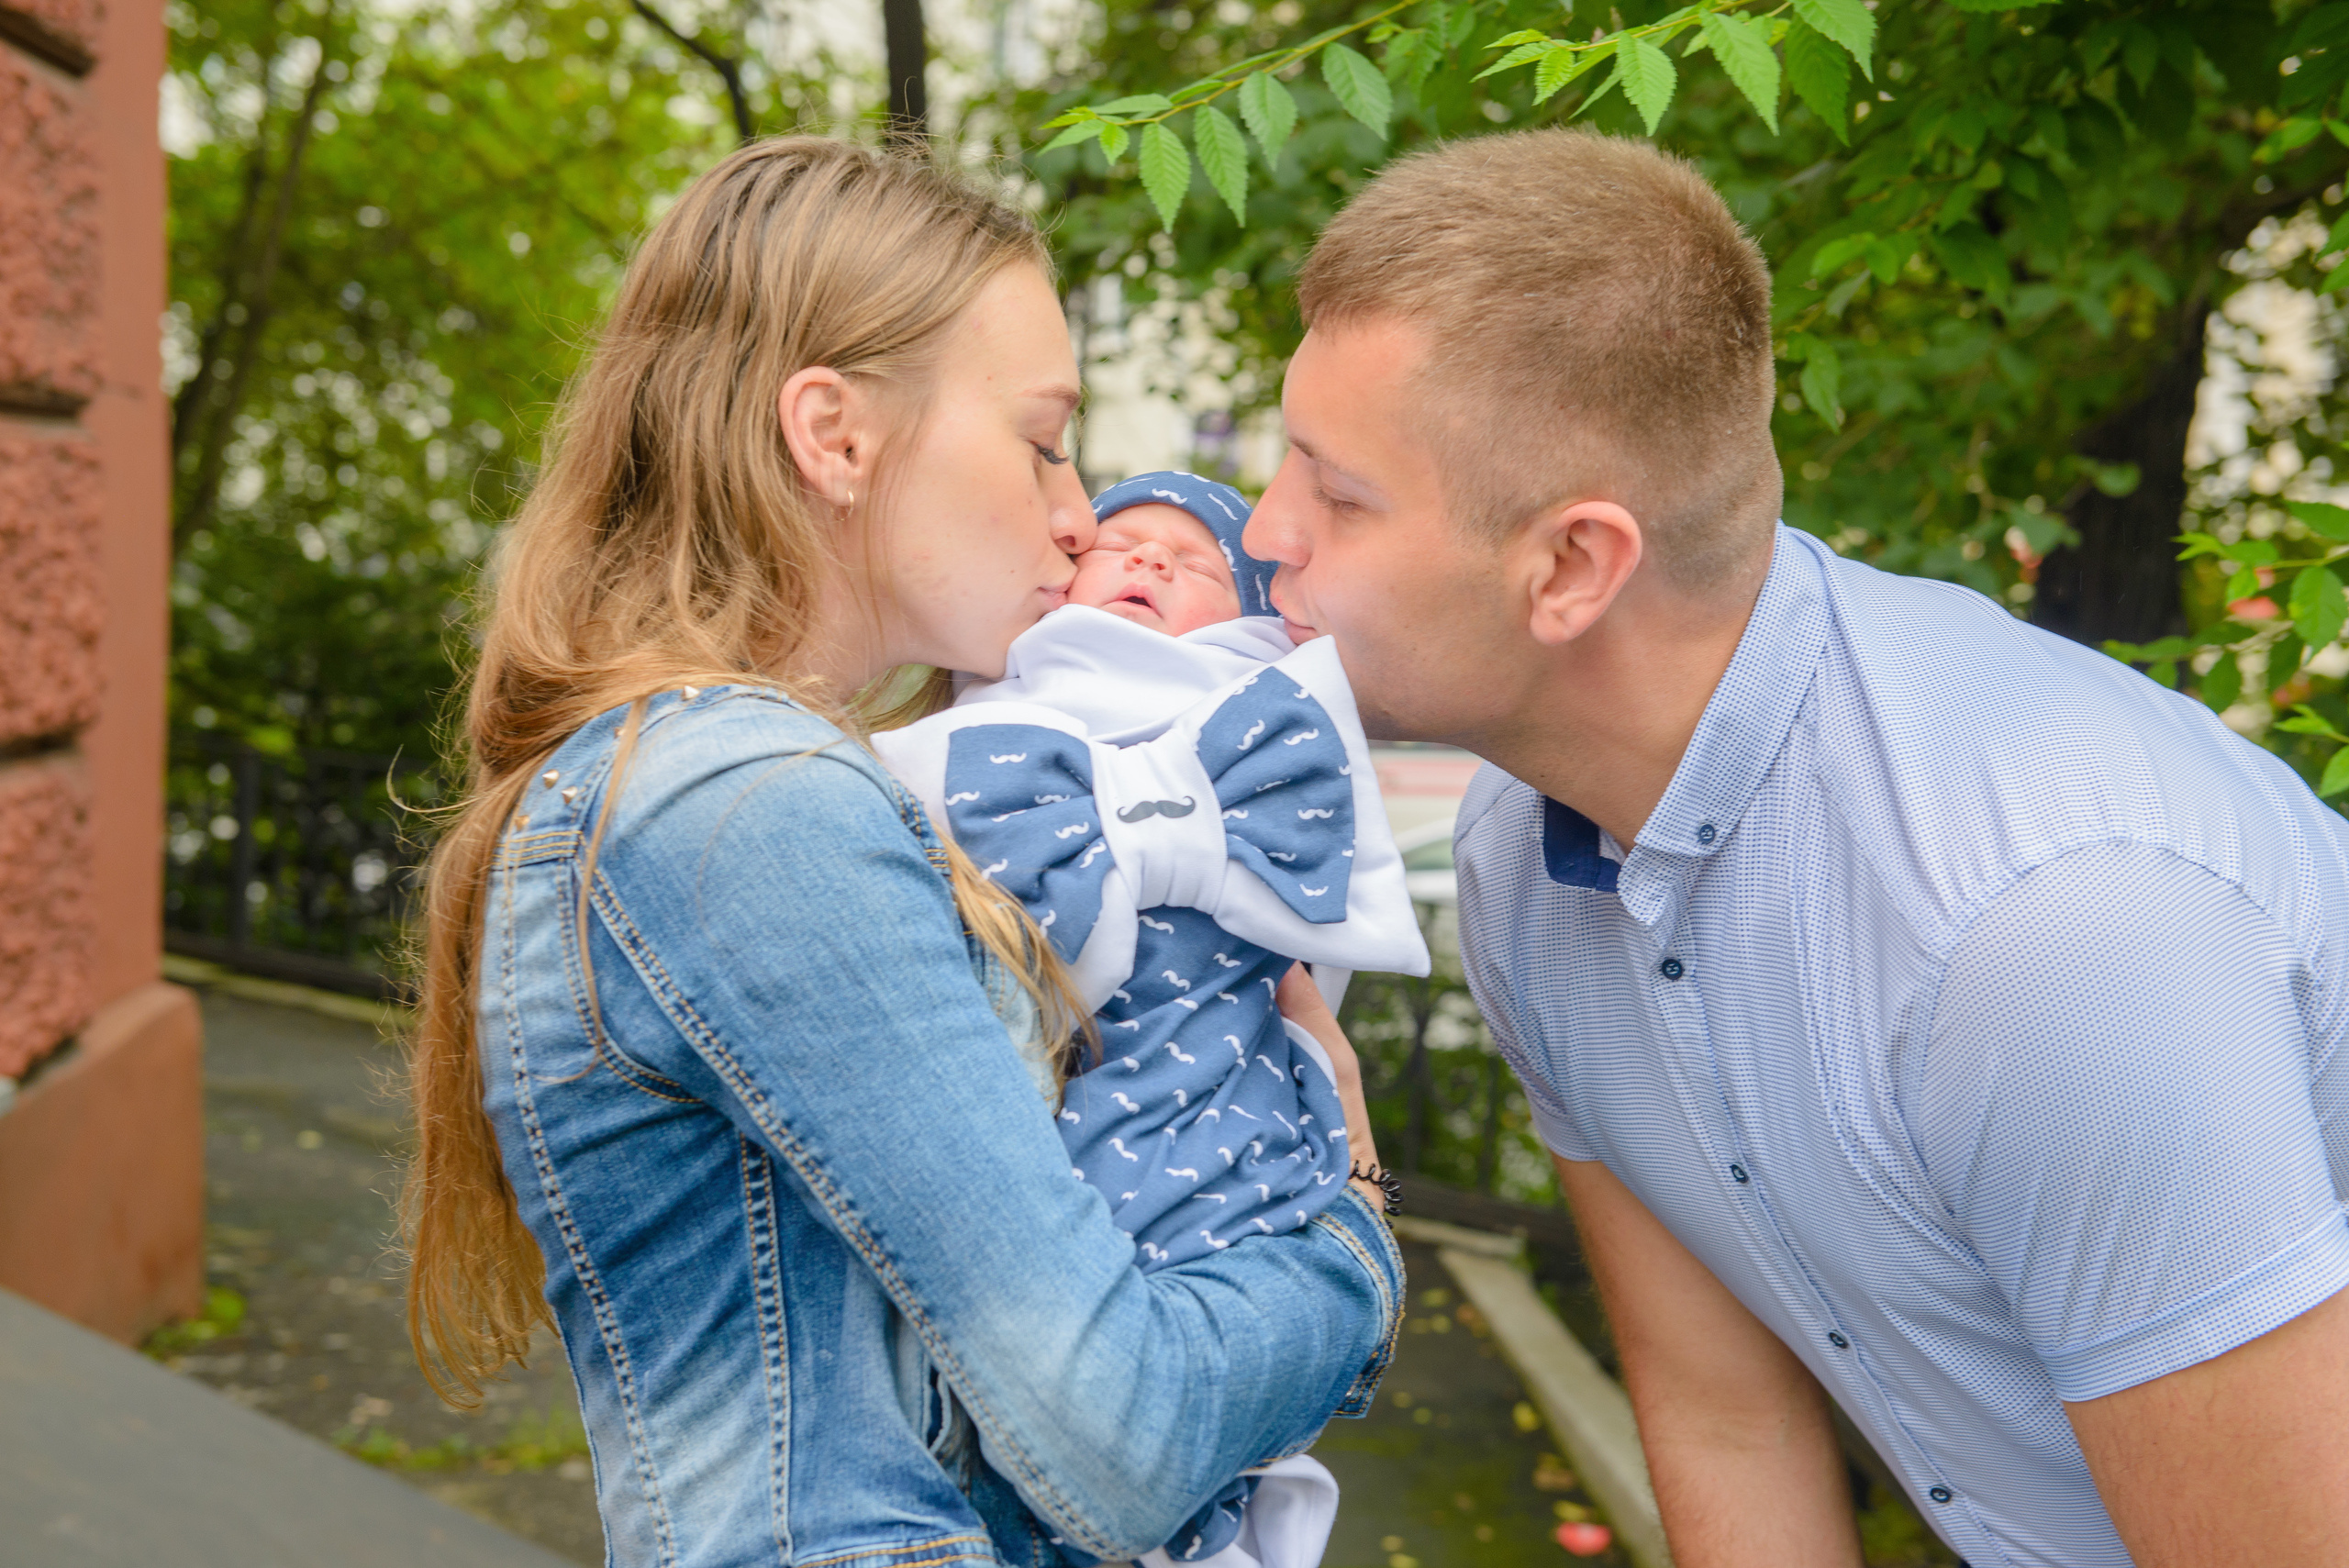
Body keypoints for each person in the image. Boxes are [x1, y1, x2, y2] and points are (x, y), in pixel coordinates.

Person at [1241, 127, 2349, 1568]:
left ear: (1573, 566)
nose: (1266, 533)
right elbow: (1726, 1424)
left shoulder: (2050, 935)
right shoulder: (1528, 853)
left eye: (1339, 494)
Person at [402, 139, 1404, 1568]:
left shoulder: (706, 782)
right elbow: (1120, 1434)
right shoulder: (746, 804)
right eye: (1044, 437)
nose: (1080, 512)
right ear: (836, 434)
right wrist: (1353, 1240)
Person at [874, 472, 1429, 1568]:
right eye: (1119, 542)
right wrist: (1372, 1207)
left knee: (1183, 1388)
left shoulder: (1277, 748)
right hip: (1003, 1198)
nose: (1149, 561)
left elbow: (1313, 985)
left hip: (1221, 1151)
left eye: (1199, 562)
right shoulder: (971, 740)